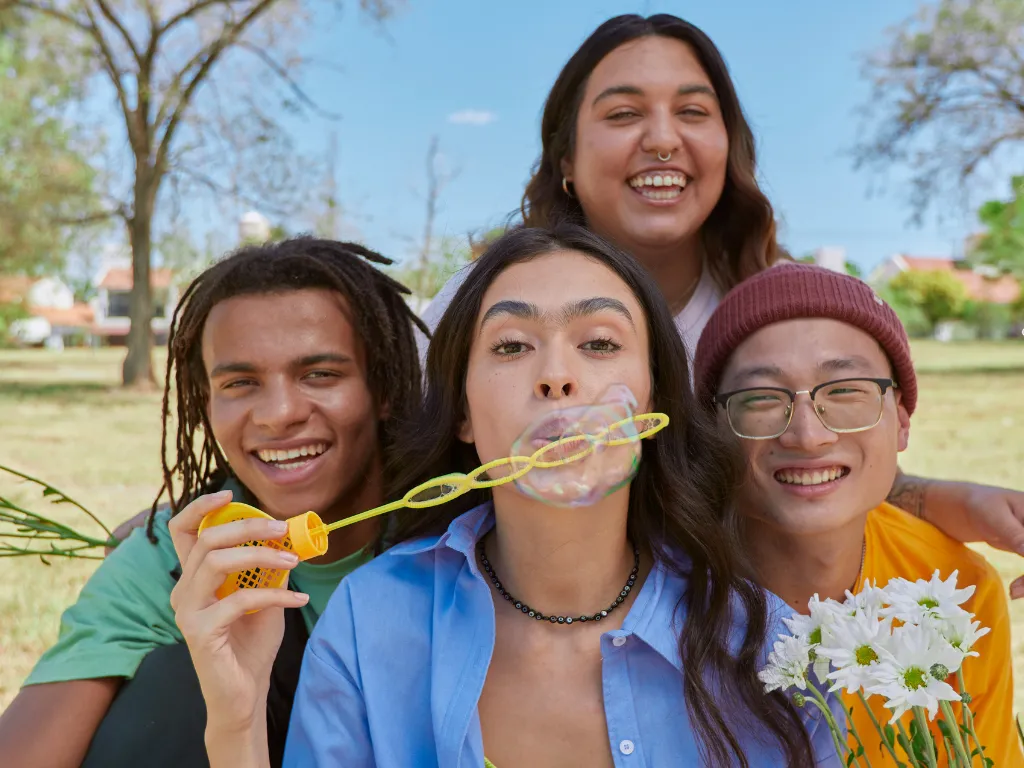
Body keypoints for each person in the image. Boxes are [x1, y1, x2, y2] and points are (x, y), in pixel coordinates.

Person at [177, 225, 842, 767]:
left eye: (599, 342)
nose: (556, 375)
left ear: (654, 399)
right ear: (463, 412)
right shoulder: (370, 619)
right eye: (513, 345)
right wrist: (236, 722)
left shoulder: (770, 649)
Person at [420, 12, 1024, 596]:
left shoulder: (784, 311)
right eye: (624, 113)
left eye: (692, 112)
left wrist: (951, 500)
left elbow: (824, 456)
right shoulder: (482, 305)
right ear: (566, 161)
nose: (663, 139)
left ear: (729, 148)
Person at [0, 238, 426, 768]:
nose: (278, 414)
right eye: (241, 382)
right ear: (207, 402)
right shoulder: (171, 558)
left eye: (320, 374)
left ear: (384, 389)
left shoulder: (460, 542)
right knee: (181, 680)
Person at [692, 263, 1023, 767]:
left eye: (845, 390)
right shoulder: (664, 594)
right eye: (760, 398)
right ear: (712, 431)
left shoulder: (956, 593)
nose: (808, 436)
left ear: (902, 422)